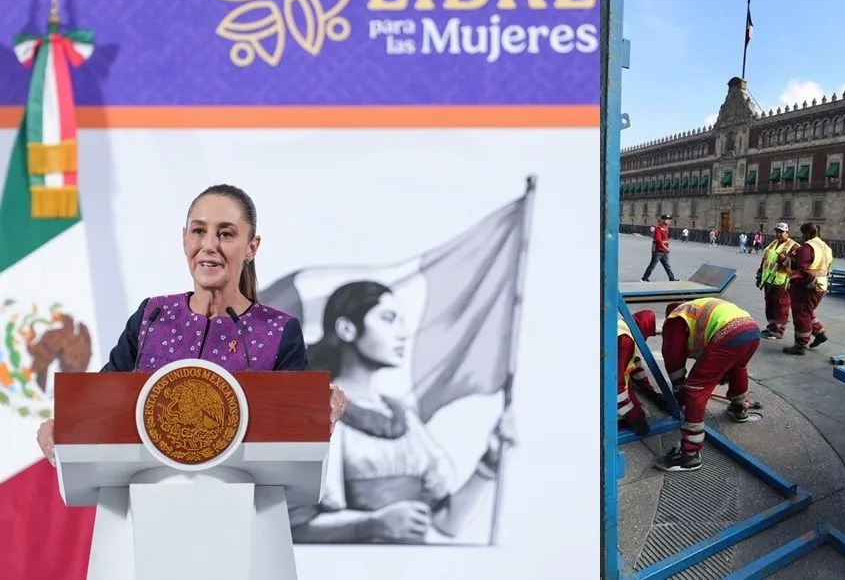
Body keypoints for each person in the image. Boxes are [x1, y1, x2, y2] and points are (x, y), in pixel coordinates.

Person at [34, 184, 347, 464]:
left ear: (251, 247)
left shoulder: (277, 331)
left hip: (243, 501)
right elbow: (101, 403)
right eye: (198, 231)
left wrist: (318, 407)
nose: (209, 245)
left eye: (225, 234)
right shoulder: (151, 317)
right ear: (184, 239)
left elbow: (295, 430)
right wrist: (63, 428)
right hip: (146, 495)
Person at [290, 280, 516, 544]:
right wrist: (371, 524)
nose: (401, 334)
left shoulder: (402, 416)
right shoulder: (314, 411)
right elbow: (294, 527)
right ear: (347, 329)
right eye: (388, 319)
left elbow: (447, 522)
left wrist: (489, 462)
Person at [653, 298, 761, 472]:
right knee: (738, 367)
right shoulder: (695, 310)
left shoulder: (674, 321)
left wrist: (681, 393)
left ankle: (690, 454)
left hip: (729, 333)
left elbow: (673, 360)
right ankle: (739, 408)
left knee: (695, 388)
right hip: (752, 330)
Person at [781, 223, 833, 355]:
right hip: (821, 285)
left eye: (803, 234)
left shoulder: (808, 247)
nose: (802, 237)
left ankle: (800, 345)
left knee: (802, 314)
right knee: (807, 311)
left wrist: (810, 280)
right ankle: (819, 333)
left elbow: (803, 268)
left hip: (807, 287)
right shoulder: (826, 247)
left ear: (807, 234)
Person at [617, 310, 661, 436]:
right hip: (606, 380)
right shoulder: (626, 342)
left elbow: (635, 365)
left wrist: (650, 392)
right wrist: (632, 415)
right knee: (634, 415)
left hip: (610, 374)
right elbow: (613, 383)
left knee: (638, 412)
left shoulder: (626, 327)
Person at [756, 223, 799, 340]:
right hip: (768, 279)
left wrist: (786, 260)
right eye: (777, 232)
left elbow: (797, 264)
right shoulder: (773, 244)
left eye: (781, 232)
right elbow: (764, 261)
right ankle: (771, 327)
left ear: (787, 233)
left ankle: (778, 331)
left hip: (782, 282)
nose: (778, 234)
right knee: (770, 305)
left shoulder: (794, 246)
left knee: (781, 306)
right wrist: (759, 276)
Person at [641, 214, 678, 282]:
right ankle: (644, 278)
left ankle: (671, 278)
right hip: (658, 250)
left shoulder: (666, 228)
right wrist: (665, 247)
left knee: (667, 265)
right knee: (652, 265)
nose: (669, 221)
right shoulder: (658, 229)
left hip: (664, 251)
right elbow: (658, 240)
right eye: (667, 219)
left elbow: (665, 239)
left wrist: (666, 248)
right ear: (662, 220)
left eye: (669, 220)